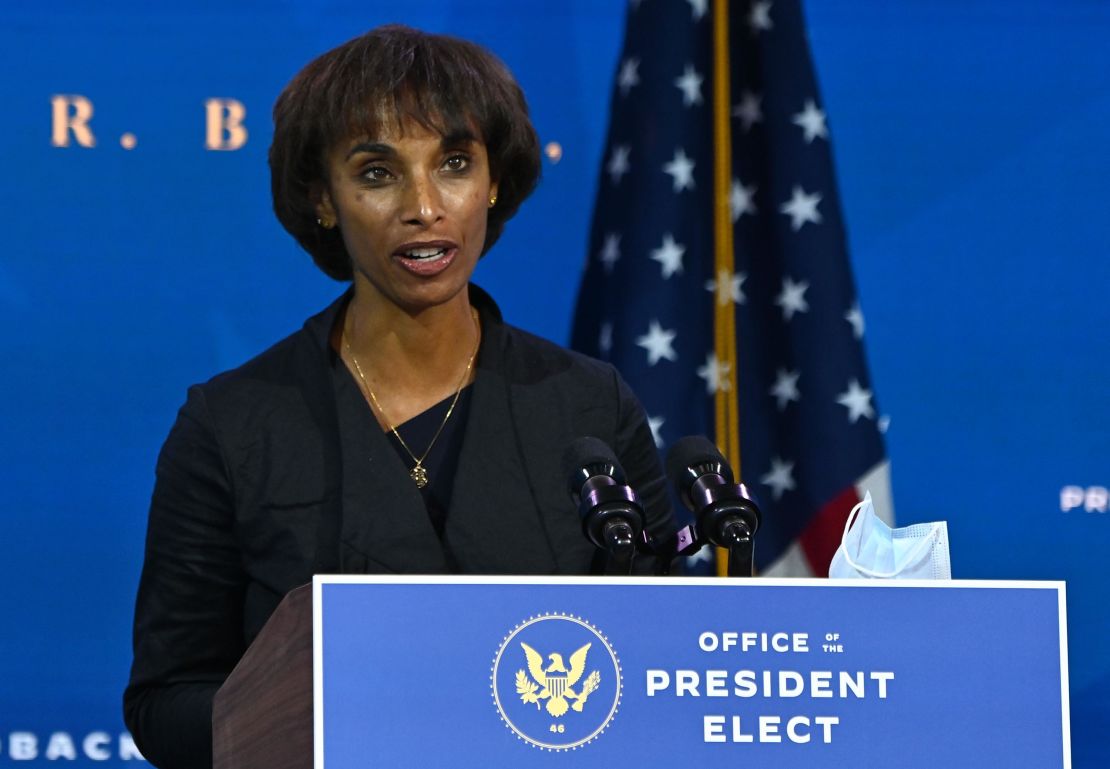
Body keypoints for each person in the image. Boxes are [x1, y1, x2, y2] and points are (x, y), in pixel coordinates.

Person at [123, 24, 674, 769]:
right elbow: (167, 699)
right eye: (378, 173)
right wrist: (314, 713)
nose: (424, 206)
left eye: (452, 163)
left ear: (495, 181)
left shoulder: (586, 406)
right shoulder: (233, 423)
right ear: (322, 197)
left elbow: (668, 660)